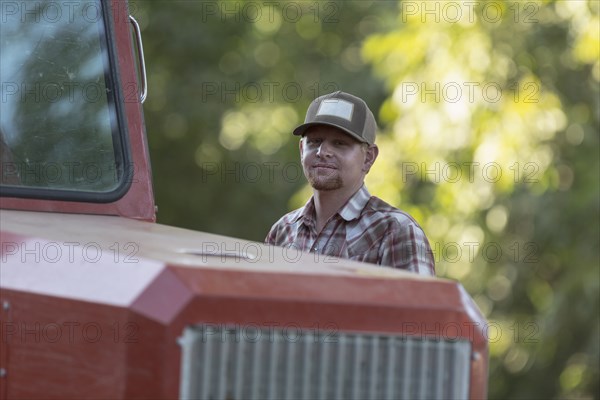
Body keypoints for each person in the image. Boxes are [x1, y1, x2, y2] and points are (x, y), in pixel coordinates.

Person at [265, 91, 435, 276]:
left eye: (339, 143)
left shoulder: (396, 232)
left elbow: (418, 305)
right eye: (315, 141)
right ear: (301, 150)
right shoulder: (282, 231)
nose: (322, 151)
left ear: (368, 157)